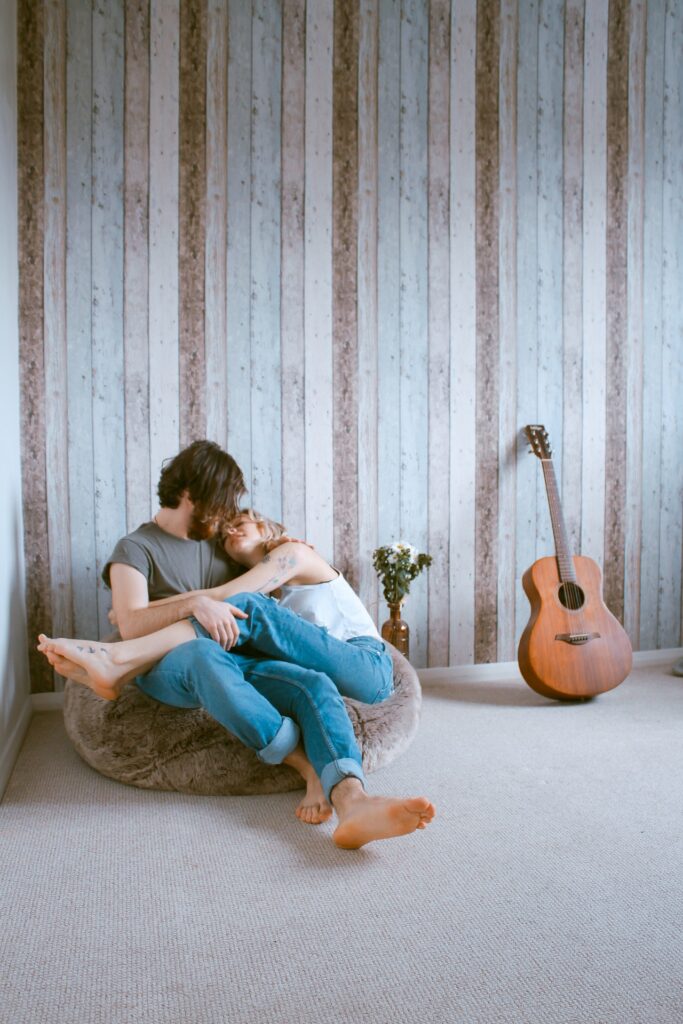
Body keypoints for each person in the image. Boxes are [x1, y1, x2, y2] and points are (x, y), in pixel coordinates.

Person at [40, 441, 435, 849]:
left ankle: (353, 801)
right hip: (177, 663)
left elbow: (252, 592)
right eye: (224, 503)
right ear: (193, 493)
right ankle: (301, 762)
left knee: (313, 683)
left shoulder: (222, 546)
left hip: (241, 656)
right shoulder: (135, 549)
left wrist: (281, 553)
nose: (228, 518)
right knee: (203, 652)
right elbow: (130, 622)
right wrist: (195, 602)